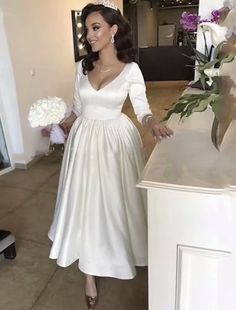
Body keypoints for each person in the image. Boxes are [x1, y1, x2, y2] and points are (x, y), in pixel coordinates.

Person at [48, 1, 173, 309]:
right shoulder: (82, 66)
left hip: (115, 140)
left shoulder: (130, 70)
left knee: (115, 202)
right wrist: (62, 123)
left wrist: (152, 122)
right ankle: (89, 272)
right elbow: (77, 108)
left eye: (96, 28)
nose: (89, 35)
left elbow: (142, 110)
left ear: (113, 30)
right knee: (86, 203)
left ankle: (118, 252)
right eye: (86, 29)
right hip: (83, 142)